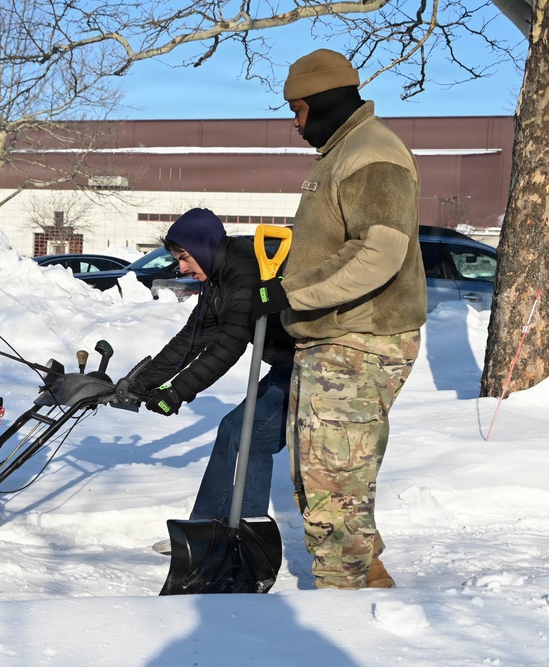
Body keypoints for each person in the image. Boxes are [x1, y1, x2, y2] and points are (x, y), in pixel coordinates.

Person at [252, 49, 428, 589]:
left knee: (334, 479)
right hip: (335, 336)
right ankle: (365, 573)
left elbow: (378, 254)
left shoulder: (373, 154)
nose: (295, 123)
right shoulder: (343, 151)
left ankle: (344, 599)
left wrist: (290, 295)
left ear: (325, 103)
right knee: (322, 474)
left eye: (300, 110)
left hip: (361, 337)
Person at [116, 208, 295, 549]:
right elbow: (191, 340)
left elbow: (229, 345)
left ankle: (225, 534)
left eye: (184, 257)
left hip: (310, 365)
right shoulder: (216, 278)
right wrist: (142, 384)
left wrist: (178, 391)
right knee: (245, 435)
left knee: (242, 432)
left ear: (205, 246)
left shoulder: (242, 271)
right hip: (289, 366)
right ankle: (223, 532)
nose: (180, 268)